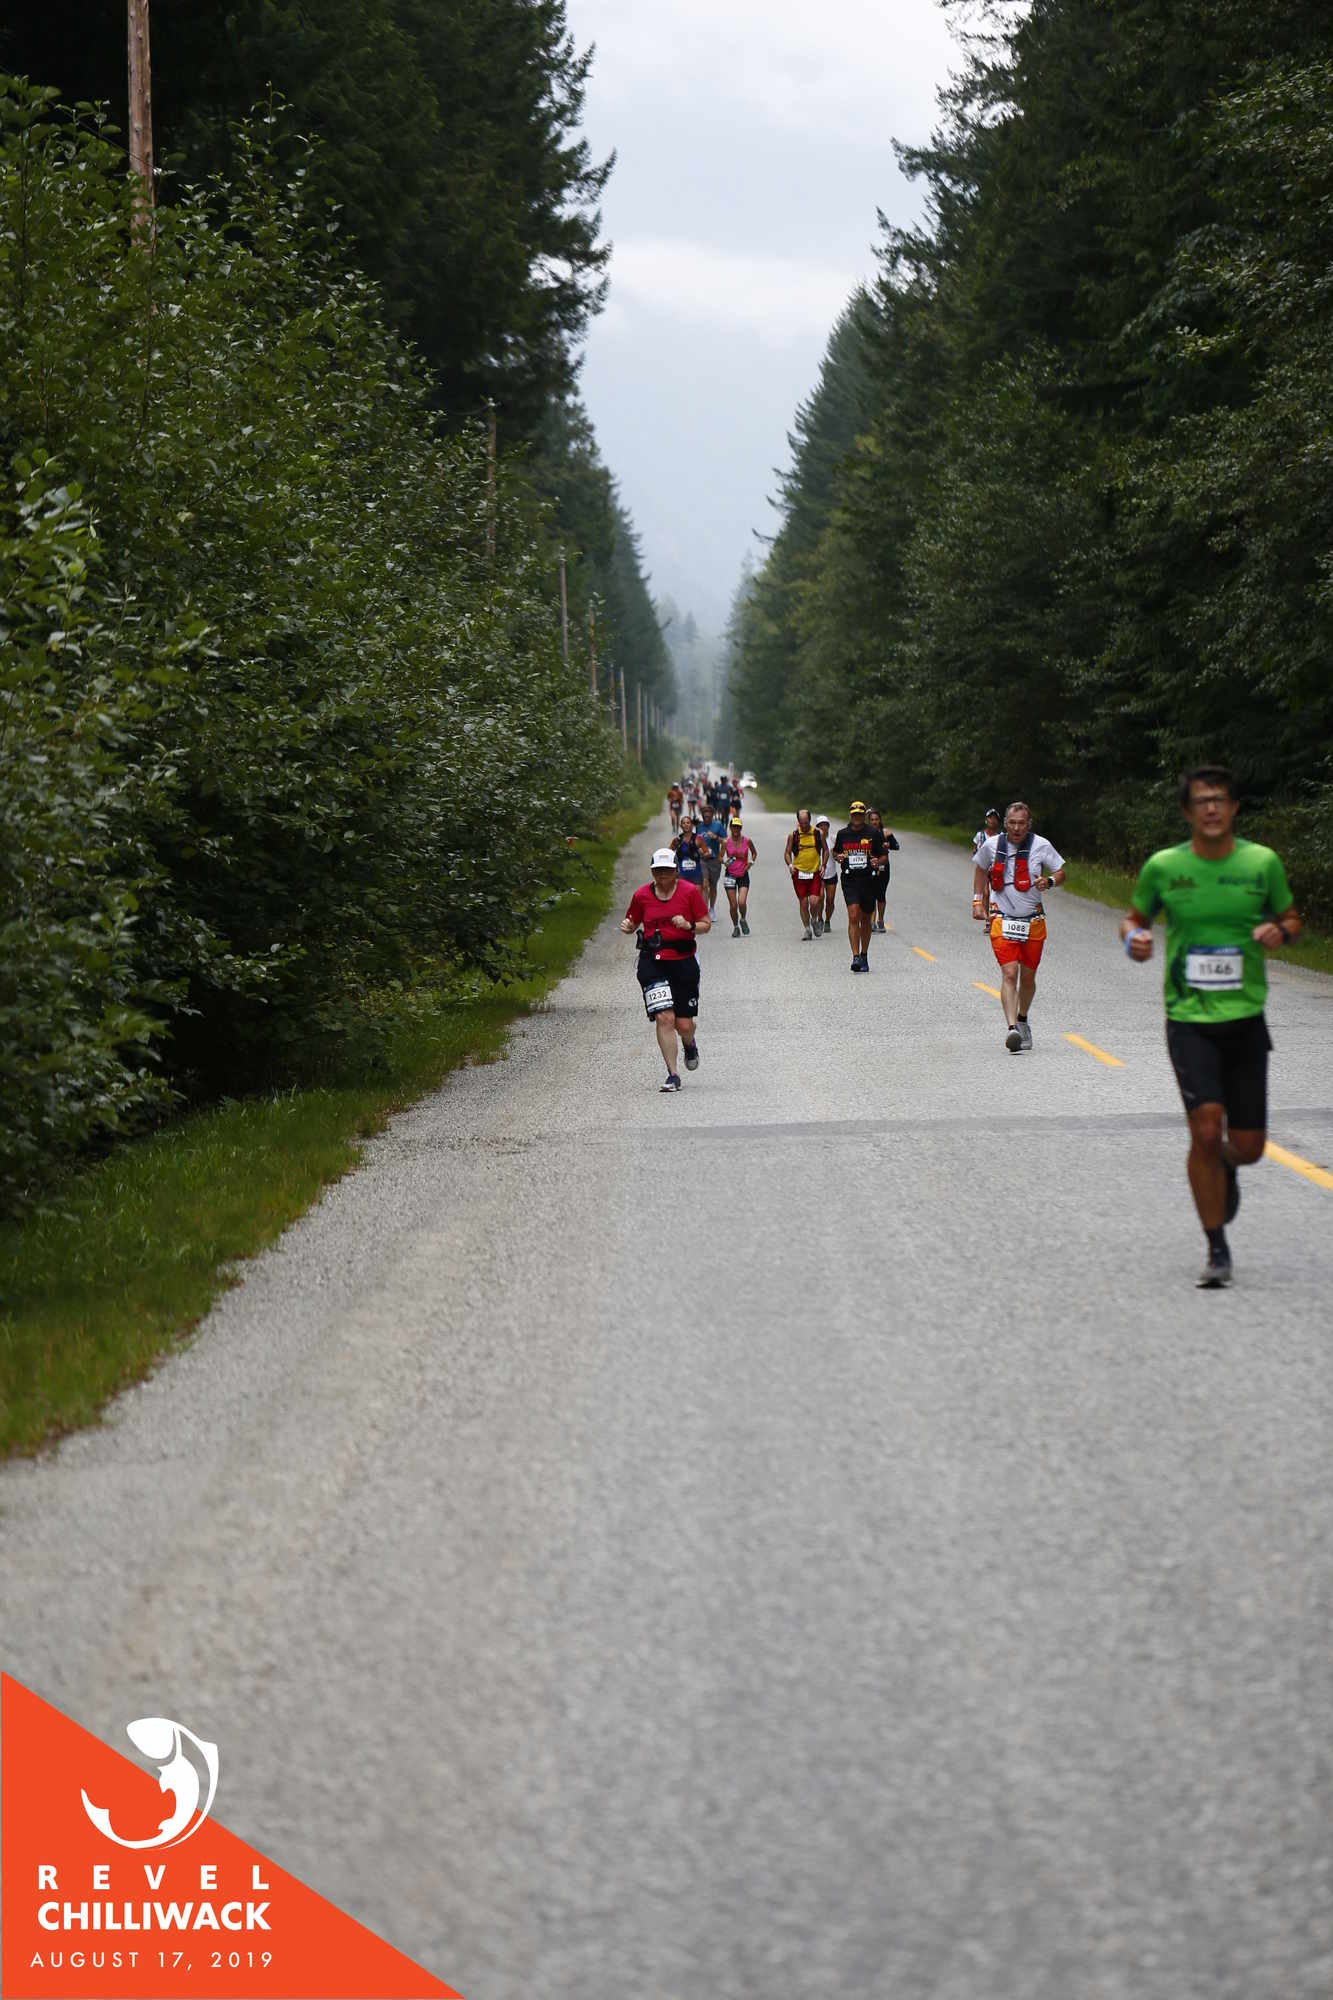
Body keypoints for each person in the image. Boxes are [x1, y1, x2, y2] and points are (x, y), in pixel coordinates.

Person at [1120, 764, 1300, 1289]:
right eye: (1202, 801)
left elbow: (1292, 918)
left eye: (1221, 799)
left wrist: (1280, 931)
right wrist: (1133, 941)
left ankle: (1227, 1164)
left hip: (1245, 1019)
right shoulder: (1164, 867)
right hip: (1189, 1019)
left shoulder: (1261, 863)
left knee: (1250, 1145)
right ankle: (1216, 1247)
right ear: (1187, 811)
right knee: (1204, 1128)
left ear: (1235, 807)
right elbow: (1133, 919)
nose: (1213, 808)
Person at [972, 801, 1065, 1048]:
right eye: (1012, 823)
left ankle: (1023, 1019)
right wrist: (977, 902)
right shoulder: (992, 845)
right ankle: (1012, 1028)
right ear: (1005, 824)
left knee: (1028, 977)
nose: (1016, 828)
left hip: (1033, 920)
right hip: (1001, 918)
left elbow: (1061, 871)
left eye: (1021, 823)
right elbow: (980, 869)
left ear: (1029, 824)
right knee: (1010, 973)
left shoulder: (1041, 845)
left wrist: (1049, 881)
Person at [621, 847, 711, 1091]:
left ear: (676, 871)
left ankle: (689, 1044)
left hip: (683, 961)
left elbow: (706, 924)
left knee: (684, 1025)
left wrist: (689, 925)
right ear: (652, 872)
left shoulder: (689, 892)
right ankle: (673, 1075)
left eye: (667, 870)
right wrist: (628, 926)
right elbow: (633, 921)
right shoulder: (641, 895)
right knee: (664, 1017)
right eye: (658, 870)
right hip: (652, 961)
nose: (662, 875)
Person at [833, 802, 886, 972]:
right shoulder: (843, 834)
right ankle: (855, 957)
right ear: (850, 815)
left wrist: (877, 861)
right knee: (853, 915)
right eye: (854, 814)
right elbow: (835, 852)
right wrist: (838, 857)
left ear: (864, 816)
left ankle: (864, 954)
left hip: (869, 880)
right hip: (850, 880)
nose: (857, 817)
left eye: (860, 814)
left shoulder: (873, 833)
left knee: (865, 918)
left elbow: (884, 856)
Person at [783, 808, 828, 939]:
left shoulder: (818, 833)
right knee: (803, 903)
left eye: (806, 822)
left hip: (814, 872)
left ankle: (814, 919)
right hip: (799, 873)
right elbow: (787, 853)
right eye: (801, 823)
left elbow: (826, 850)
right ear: (798, 821)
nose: (804, 825)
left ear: (810, 820)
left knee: (814, 901)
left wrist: (823, 865)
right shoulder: (793, 835)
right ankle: (807, 929)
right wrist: (790, 865)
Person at [867, 809, 901, 933]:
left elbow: (896, 846)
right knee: (871, 895)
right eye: (872, 820)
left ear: (880, 820)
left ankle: (880, 921)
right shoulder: (865, 833)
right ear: (869, 821)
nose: (874, 822)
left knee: (880, 895)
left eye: (876, 819)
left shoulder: (885, 832)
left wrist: (888, 845)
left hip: (883, 867)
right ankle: (871, 922)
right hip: (869, 866)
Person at [723, 815, 757, 937]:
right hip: (730, 875)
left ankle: (743, 919)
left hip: (743, 874)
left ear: (741, 828)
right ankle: (736, 927)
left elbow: (754, 853)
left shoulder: (747, 841)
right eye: (734, 827)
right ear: (730, 828)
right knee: (733, 905)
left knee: (741, 902)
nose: (736, 829)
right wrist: (724, 862)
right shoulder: (726, 842)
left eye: (738, 827)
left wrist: (750, 863)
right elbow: (720, 857)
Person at [698, 802, 726, 915]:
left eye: (709, 813)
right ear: (702, 815)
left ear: (712, 814)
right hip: (702, 859)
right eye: (704, 813)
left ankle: (712, 909)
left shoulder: (718, 825)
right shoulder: (699, 826)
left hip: (714, 860)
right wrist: (699, 850)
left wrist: (716, 837)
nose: (706, 815)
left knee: (713, 885)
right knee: (704, 884)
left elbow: (726, 842)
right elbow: (696, 841)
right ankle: (704, 910)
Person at [672, 812, 707, 896]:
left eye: (688, 823)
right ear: (681, 826)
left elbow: (707, 853)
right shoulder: (677, 840)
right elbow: (668, 852)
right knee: (683, 899)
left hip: (696, 874)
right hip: (682, 875)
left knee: (697, 898)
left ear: (691, 825)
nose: (686, 825)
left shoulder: (698, 838)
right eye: (684, 823)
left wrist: (702, 853)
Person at [816, 814, 838, 936]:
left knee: (830, 900)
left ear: (828, 826)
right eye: (820, 825)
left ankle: (828, 920)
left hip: (831, 873)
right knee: (820, 898)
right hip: (818, 873)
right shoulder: (815, 839)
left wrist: (836, 854)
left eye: (825, 825)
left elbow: (838, 854)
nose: (823, 827)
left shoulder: (834, 839)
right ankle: (820, 919)